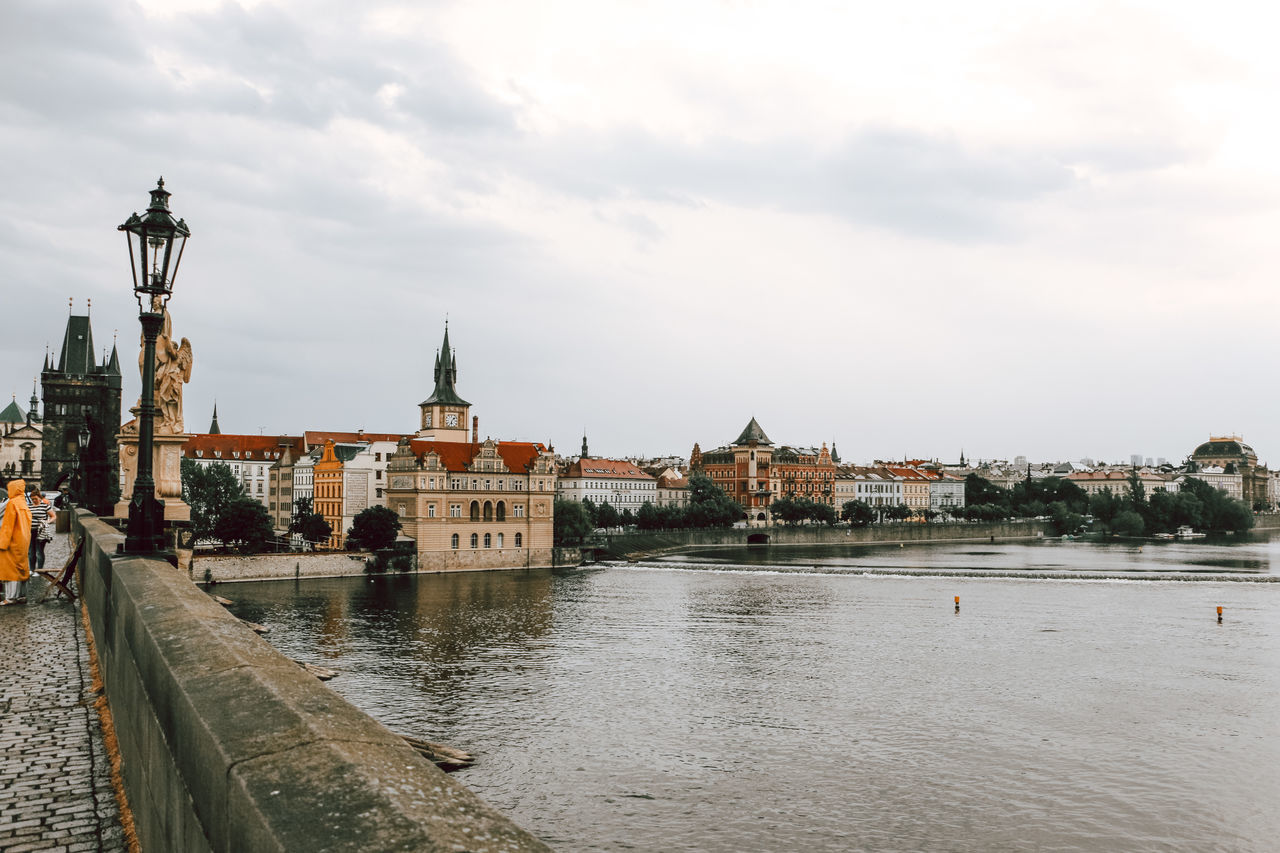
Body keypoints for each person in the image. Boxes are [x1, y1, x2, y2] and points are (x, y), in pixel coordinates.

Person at [0, 479, 32, 605]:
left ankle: (10, 598)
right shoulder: (23, 503)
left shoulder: (12, 503)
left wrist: (2, 543)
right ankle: (21, 596)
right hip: (23, 541)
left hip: (12, 542)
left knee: (10, 570)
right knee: (21, 568)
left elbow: (7, 525)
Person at [27, 483, 51, 574]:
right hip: (30, 531)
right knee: (30, 551)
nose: (34, 500)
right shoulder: (28, 506)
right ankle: (31, 569)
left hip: (41, 531)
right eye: (32, 499)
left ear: (39, 498)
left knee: (39, 551)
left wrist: (46, 522)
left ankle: (39, 570)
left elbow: (53, 517)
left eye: (35, 499)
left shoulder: (45, 505)